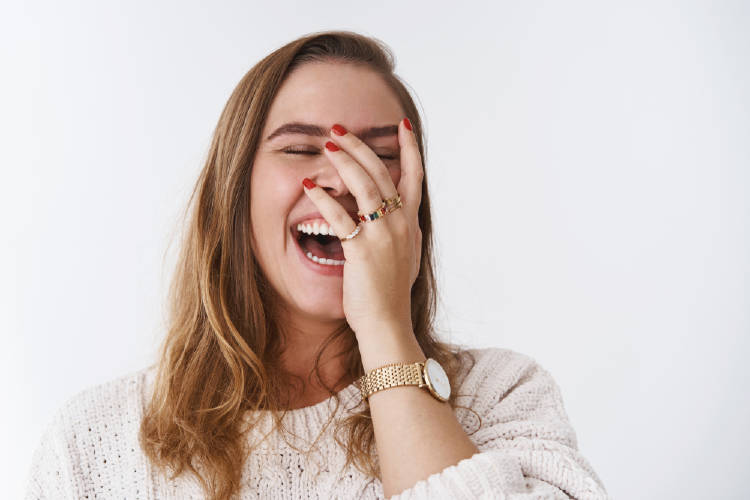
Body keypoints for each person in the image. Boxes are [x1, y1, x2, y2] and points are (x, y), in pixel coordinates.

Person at [24, 30, 608, 499]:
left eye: (381, 156)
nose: (343, 181)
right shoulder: (93, 440)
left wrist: (384, 328)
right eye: (301, 149)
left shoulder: (502, 397)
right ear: (235, 191)